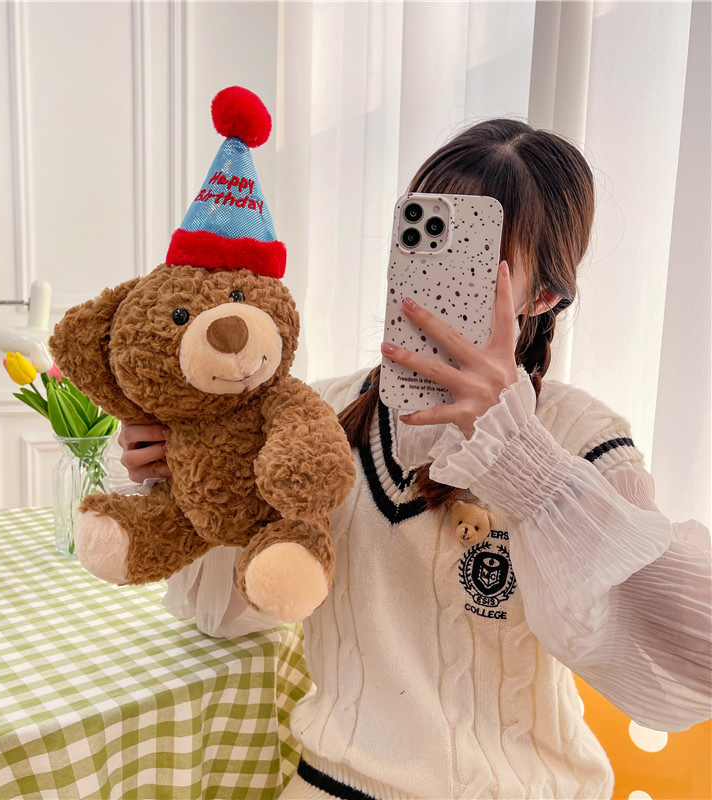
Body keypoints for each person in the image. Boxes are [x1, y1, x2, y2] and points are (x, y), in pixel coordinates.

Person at [117, 119, 711, 800]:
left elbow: (694, 665)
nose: (432, 280)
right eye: (421, 239)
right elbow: (222, 614)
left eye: (475, 259)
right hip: (336, 784)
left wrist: (523, 462)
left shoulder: (582, 435)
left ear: (542, 297)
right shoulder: (313, 415)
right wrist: (190, 482)